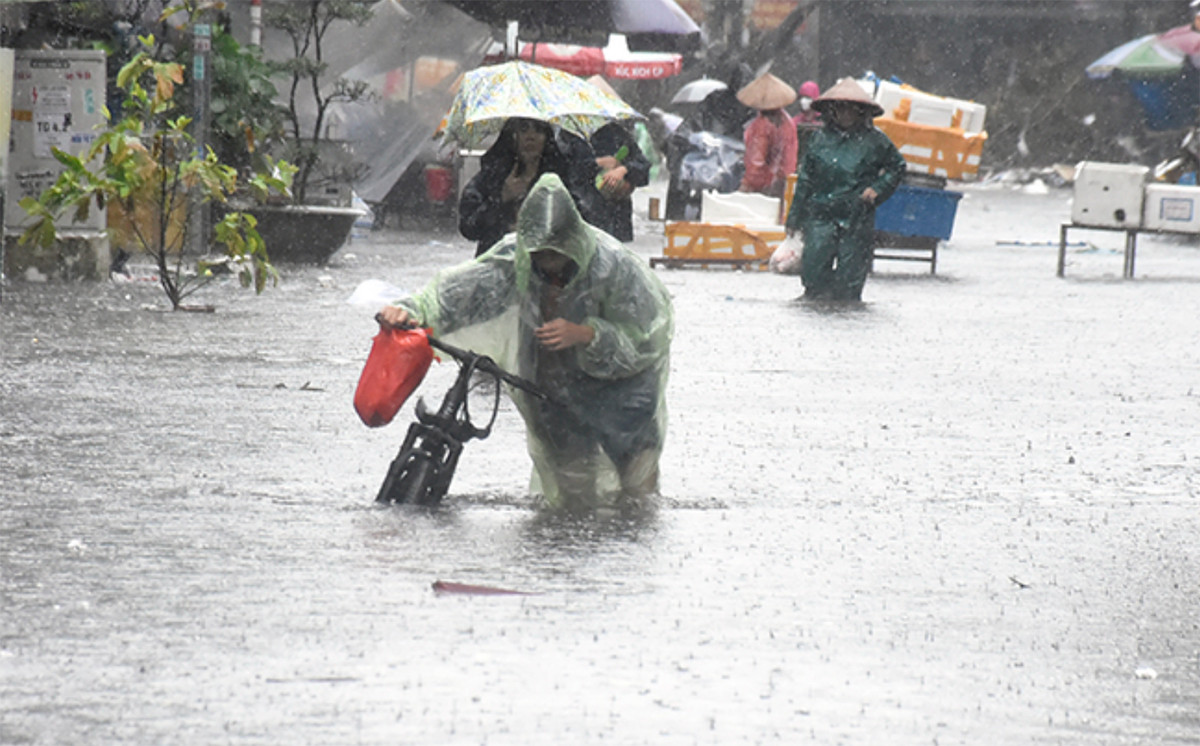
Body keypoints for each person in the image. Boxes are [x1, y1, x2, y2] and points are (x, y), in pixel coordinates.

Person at [378, 173, 674, 515]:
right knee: (572, 501)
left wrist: (588, 334)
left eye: (558, 260)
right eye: (540, 259)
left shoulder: (614, 267)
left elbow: (649, 336)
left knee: (638, 499)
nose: (549, 269)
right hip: (555, 391)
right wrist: (411, 310)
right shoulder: (515, 259)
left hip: (625, 397)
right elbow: (457, 294)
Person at [785, 78, 906, 302]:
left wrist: (878, 188)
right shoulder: (819, 140)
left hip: (856, 216)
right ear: (832, 111)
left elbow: (897, 167)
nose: (845, 114)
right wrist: (794, 217)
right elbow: (805, 180)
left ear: (861, 112)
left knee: (850, 277)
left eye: (851, 109)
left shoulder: (875, 141)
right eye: (840, 109)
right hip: (821, 214)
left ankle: (846, 307)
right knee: (814, 270)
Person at [458, 117, 604, 257]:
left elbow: (583, 223)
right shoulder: (492, 176)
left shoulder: (560, 177)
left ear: (547, 138)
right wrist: (502, 198)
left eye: (538, 130)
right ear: (513, 135)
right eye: (523, 129)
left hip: (544, 269)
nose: (531, 136)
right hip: (498, 265)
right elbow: (468, 227)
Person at [737, 72, 799, 197]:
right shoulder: (788, 122)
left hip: (762, 189)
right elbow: (790, 159)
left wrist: (747, 185)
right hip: (783, 185)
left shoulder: (762, 125)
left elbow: (756, 161)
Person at [589, 121, 652, 242]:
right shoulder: (571, 136)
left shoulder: (617, 133)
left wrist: (624, 170)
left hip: (617, 213)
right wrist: (598, 163)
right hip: (587, 212)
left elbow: (643, 167)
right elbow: (568, 169)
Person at [792, 80, 822, 160]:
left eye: (807, 97)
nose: (803, 101)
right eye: (801, 97)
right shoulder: (794, 122)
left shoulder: (822, 121)